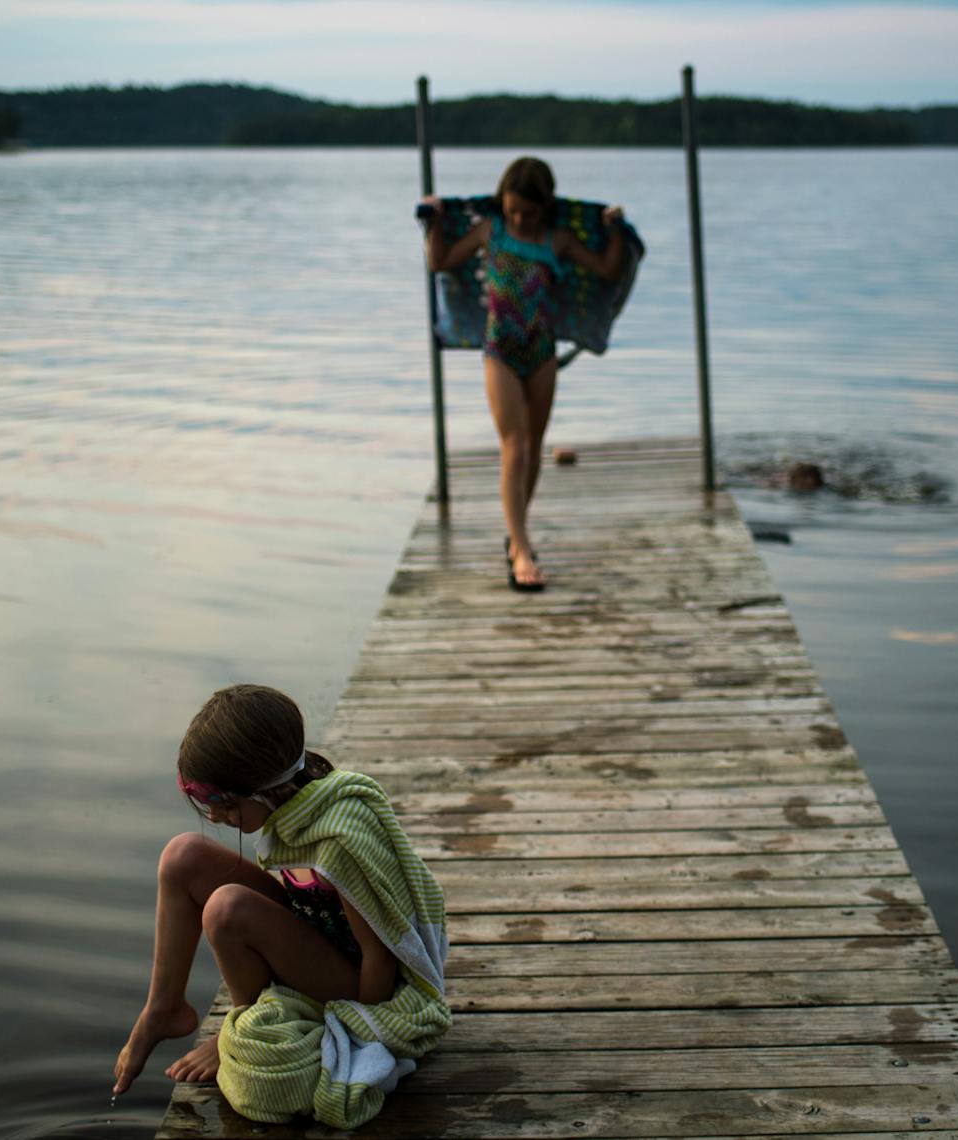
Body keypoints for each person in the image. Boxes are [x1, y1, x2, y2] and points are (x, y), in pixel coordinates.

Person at [110, 684, 445, 1098]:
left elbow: (380, 957)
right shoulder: (294, 807)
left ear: (266, 788)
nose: (215, 815)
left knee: (227, 909)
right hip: (319, 936)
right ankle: (162, 1008)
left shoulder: (339, 840)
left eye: (224, 803)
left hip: (360, 982)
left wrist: (360, 1024)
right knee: (183, 855)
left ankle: (250, 1021)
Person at [423, 156, 630, 592]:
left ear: (545, 207)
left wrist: (615, 230)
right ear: (503, 203)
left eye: (529, 212)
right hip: (499, 350)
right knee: (514, 445)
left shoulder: (557, 240)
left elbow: (608, 270)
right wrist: (434, 222)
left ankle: (516, 533)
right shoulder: (489, 231)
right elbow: (440, 262)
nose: (519, 218)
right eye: (513, 209)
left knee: (534, 447)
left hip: (541, 353)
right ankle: (520, 548)